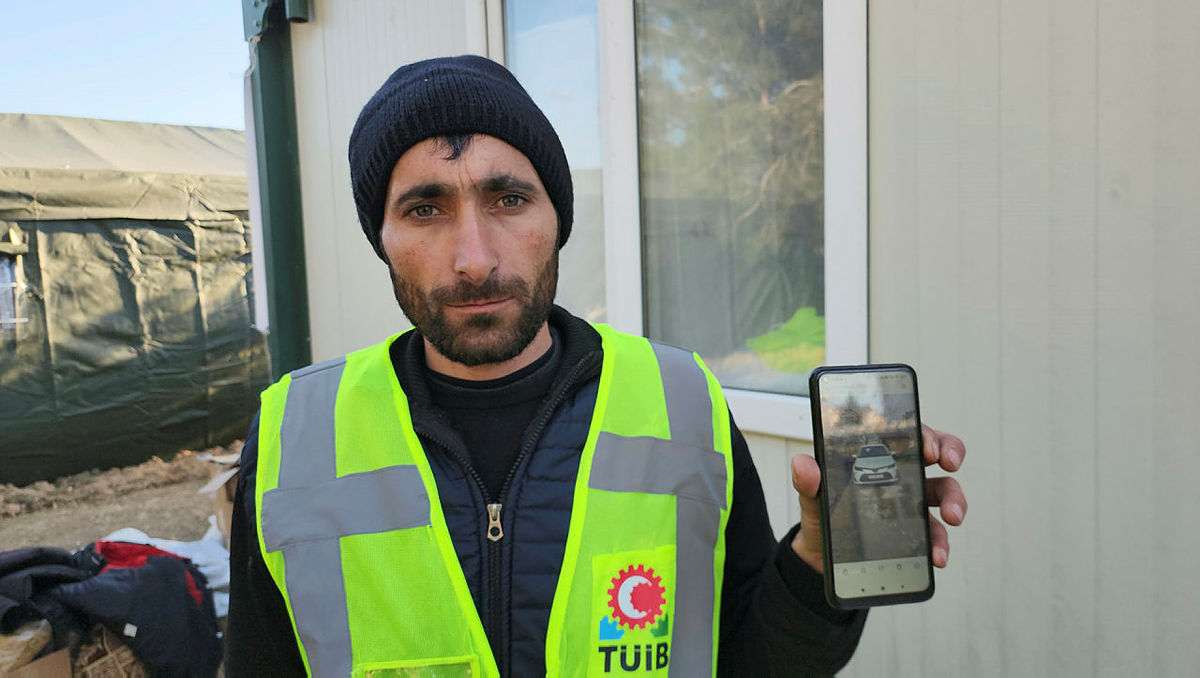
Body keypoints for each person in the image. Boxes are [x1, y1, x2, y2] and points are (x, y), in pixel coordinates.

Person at [224, 54, 968, 677]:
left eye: (509, 199)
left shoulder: (683, 401)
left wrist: (815, 566)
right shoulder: (296, 435)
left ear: (558, 220)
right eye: (425, 209)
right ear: (381, 237)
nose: (474, 259)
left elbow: (748, 659)